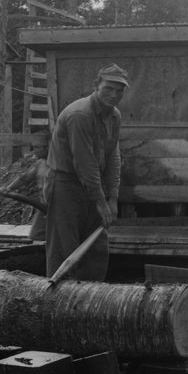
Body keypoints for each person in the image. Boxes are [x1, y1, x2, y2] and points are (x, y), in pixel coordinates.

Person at [44, 63, 128, 281]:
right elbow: (84, 162)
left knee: (96, 247)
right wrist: (101, 201)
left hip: (92, 185)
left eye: (119, 91)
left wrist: (113, 198)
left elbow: (113, 157)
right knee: (65, 249)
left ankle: (90, 301)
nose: (114, 95)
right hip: (65, 185)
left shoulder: (114, 116)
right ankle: (57, 303)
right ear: (96, 86)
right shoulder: (80, 115)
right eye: (108, 88)